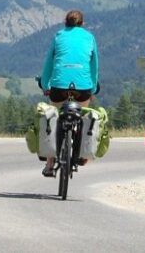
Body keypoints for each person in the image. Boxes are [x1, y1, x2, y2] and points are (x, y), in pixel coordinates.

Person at [39, 9, 99, 177]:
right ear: (82, 23)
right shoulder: (89, 37)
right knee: (83, 116)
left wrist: (45, 85)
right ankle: (82, 154)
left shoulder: (59, 36)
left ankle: (50, 164)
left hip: (59, 87)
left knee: (54, 117)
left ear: (65, 22)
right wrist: (93, 88)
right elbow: (94, 66)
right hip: (82, 88)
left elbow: (49, 63)